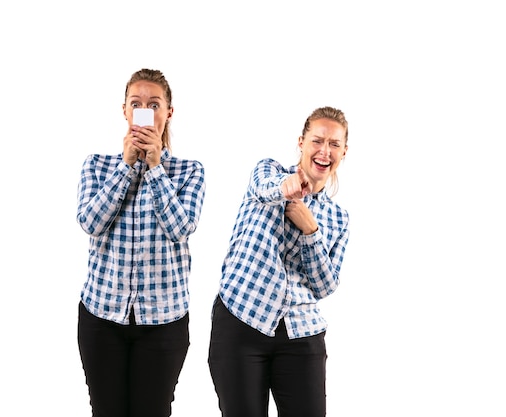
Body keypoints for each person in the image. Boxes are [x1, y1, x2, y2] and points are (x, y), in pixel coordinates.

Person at [76, 68, 206, 417]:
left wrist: (155, 167)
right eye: (137, 104)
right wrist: (126, 166)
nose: (144, 111)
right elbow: (90, 222)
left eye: (154, 104)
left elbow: (181, 227)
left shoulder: (189, 171)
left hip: (163, 323)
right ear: (125, 112)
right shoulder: (98, 166)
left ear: (168, 113)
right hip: (102, 318)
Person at [208, 106, 350, 417]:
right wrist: (286, 188)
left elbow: (325, 286)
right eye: (317, 141)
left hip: (302, 333)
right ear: (301, 142)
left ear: (344, 152)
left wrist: (311, 229)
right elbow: (264, 188)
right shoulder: (268, 171)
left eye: (334, 144)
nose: (324, 151)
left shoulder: (339, 219)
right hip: (242, 321)